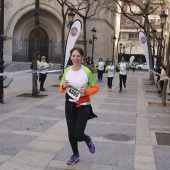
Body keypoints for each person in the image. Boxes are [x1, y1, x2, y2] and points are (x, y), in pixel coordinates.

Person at [59, 47, 99, 165]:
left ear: (82, 57)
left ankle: (87, 139)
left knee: (78, 134)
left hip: (83, 106)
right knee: (71, 134)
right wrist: (63, 86)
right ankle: (75, 154)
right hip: (69, 106)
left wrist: (86, 92)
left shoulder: (86, 71)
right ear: (71, 57)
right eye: (74, 56)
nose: (76, 58)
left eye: (78, 56)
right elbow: (61, 89)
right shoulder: (67, 71)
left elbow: (96, 87)